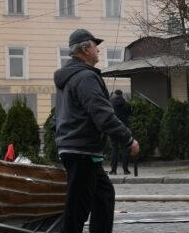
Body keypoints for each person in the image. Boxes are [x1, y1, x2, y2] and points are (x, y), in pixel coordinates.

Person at [54, 29, 140, 233]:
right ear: (85, 49)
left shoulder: (69, 78)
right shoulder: (85, 77)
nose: (98, 51)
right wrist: (128, 139)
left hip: (77, 148)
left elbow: (56, 117)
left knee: (103, 197)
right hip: (82, 150)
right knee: (77, 209)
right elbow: (102, 114)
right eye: (95, 46)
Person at [109, 90, 132, 175]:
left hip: (114, 129)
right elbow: (129, 113)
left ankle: (113, 170)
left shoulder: (111, 104)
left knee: (114, 149)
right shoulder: (126, 104)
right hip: (124, 128)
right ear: (122, 95)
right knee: (125, 149)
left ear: (115, 95)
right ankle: (125, 170)